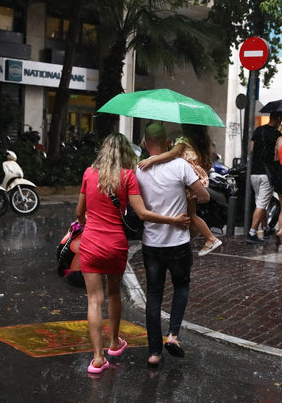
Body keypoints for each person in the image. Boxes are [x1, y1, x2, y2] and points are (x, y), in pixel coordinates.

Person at [75, 132, 191, 375]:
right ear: (125, 152)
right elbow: (143, 214)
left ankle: (97, 359)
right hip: (115, 245)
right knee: (114, 292)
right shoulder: (128, 176)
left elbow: (79, 211)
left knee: (94, 301)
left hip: (91, 244)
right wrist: (174, 219)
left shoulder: (88, 173)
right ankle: (115, 343)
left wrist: (86, 221)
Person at [135, 123, 210, 367]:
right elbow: (204, 196)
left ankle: (154, 353)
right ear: (168, 143)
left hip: (151, 244)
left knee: (154, 295)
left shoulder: (139, 170)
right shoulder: (181, 166)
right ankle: (173, 335)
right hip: (178, 242)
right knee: (181, 286)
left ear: (146, 144)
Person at [138, 124, 222, 256]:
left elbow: (172, 154)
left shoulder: (183, 141)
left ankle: (211, 238)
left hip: (188, 181)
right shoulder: (198, 143)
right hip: (194, 179)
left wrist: (152, 161)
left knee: (192, 215)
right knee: (189, 215)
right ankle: (191, 240)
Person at [247, 112, 282, 244]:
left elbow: (251, 149)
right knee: (261, 204)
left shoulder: (259, 130)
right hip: (267, 173)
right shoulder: (277, 136)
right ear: (278, 119)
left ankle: (265, 227)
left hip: (254, 172)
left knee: (260, 203)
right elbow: (277, 156)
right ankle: (252, 233)